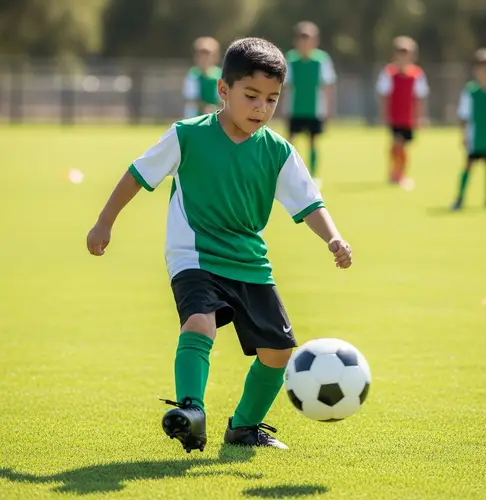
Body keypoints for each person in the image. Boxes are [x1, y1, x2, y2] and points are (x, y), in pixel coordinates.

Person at [86, 37, 352, 453]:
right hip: (194, 255)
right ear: (223, 91)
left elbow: (309, 203)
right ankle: (190, 412)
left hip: (249, 261)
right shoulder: (187, 136)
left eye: (272, 99)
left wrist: (333, 237)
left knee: (279, 351)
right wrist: (104, 223)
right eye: (251, 96)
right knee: (199, 322)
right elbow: (137, 175)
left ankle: (244, 428)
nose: (261, 108)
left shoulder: (278, 151)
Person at [284, 21, 337, 186]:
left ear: (315, 41)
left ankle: (313, 175)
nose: (305, 43)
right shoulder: (290, 59)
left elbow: (327, 85)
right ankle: (287, 174)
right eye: (302, 39)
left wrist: (328, 109)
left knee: (313, 141)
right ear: (297, 41)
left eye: (308, 39)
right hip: (295, 109)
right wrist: (283, 108)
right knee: (290, 142)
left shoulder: (322, 60)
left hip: (315, 110)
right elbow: (286, 86)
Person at [452, 48, 486, 213]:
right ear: (476, 71)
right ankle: (459, 198)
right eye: (482, 69)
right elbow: (463, 115)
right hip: (476, 137)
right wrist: (464, 135)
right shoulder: (471, 91)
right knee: (468, 166)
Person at [376, 36, 429, 186]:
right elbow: (384, 96)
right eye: (400, 52)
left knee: (403, 146)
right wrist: (383, 116)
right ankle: (395, 173)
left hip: (408, 117)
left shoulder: (417, 75)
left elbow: (420, 98)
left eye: (406, 53)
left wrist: (421, 117)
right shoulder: (388, 73)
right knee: (396, 144)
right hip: (394, 117)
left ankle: (401, 172)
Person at [183, 37, 222, 118]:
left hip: (215, 118)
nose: (205, 59)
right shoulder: (193, 75)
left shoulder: (219, 75)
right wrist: (205, 108)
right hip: (195, 119)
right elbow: (191, 99)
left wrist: (216, 108)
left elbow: (223, 99)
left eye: (208, 55)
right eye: (201, 56)